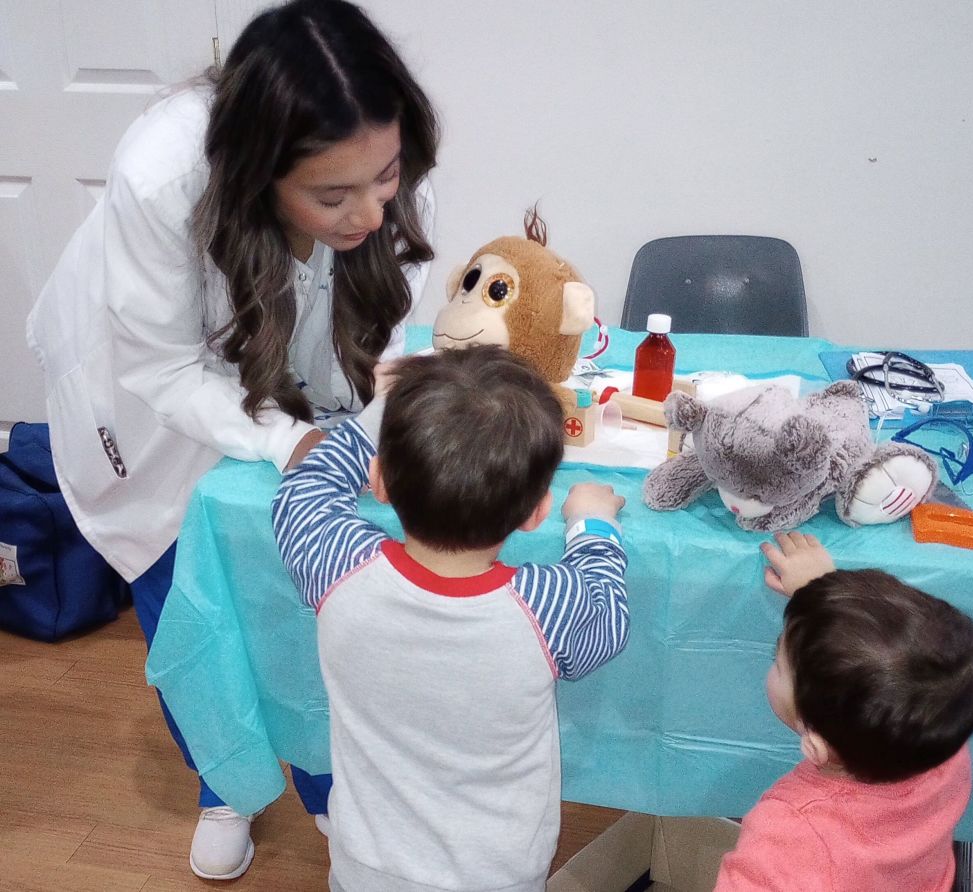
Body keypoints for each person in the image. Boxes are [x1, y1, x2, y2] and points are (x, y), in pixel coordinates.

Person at [26, 0, 438, 880]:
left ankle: (330, 792)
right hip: (149, 405)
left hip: (287, 380)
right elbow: (168, 370)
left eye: (388, 178)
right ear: (258, 176)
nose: (369, 211)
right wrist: (289, 444)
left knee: (313, 599)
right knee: (192, 604)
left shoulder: (373, 155)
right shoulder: (162, 177)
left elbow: (388, 302)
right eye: (332, 195)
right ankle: (227, 786)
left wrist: (369, 413)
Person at [272, 345, 631, 892]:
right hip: (498, 874)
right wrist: (593, 526)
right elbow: (607, 616)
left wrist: (374, 420)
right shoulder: (547, 605)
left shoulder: (337, 563)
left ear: (380, 481)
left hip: (364, 867)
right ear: (538, 512)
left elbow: (304, 489)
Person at [714, 531, 973, 892]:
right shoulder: (940, 744)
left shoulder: (791, 833)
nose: (775, 652)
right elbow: (896, 667)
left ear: (817, 746)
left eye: (778, 660)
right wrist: (820, 596)